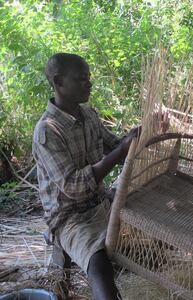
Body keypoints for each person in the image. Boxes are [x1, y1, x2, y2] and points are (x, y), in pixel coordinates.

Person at [32, 53, 139, 300]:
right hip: (69, 216)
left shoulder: (89, 116)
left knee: (149, 217)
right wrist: (120, 152)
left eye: (88, 78)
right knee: (98, 262)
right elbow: (73, 186)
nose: (89, 83)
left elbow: (116, 148)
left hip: (99, 201)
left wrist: (134, 141)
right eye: (81, 79)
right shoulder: (47, 131)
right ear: (58, 82)